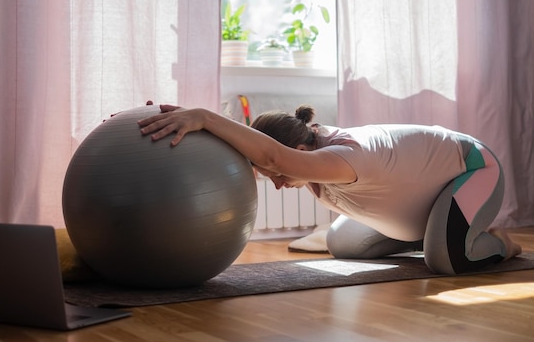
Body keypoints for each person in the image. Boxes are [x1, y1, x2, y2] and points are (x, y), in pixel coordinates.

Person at [138, 104, 522, 275]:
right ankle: (441, 232)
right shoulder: (314, 153)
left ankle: (499, 244)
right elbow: (265, 155)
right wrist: (197, 133)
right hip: (426, 197)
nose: (276, 182)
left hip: (475, 169)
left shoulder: (344, 157)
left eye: (274, 174)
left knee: (446, 262)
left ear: (300, 151)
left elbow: (273, 156)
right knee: (344, 244)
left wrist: (205, 116)